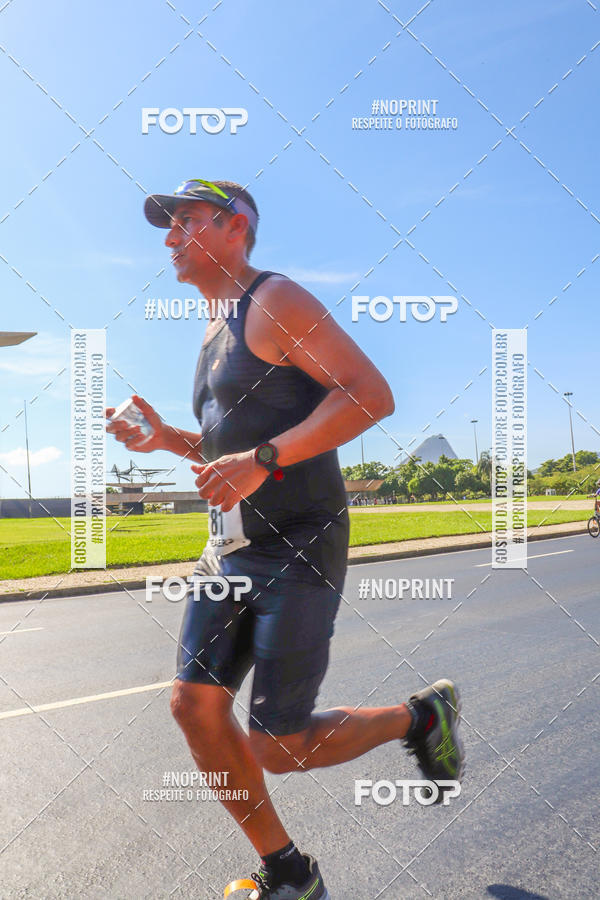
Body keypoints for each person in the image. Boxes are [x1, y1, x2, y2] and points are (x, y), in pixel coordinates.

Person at [106, 178, 465, 899]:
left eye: (186, 222)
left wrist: (265, 459)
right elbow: (225, 455)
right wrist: (167, 440)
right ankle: (289, 873)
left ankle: (420, 715)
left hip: (299, 542)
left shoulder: (275, 301)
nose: (170, 238)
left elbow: (368, 393)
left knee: (280, 748)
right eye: (166, 227)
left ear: (235, 226)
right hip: (231, 550)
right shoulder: (211, 333)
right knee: (193, 705)